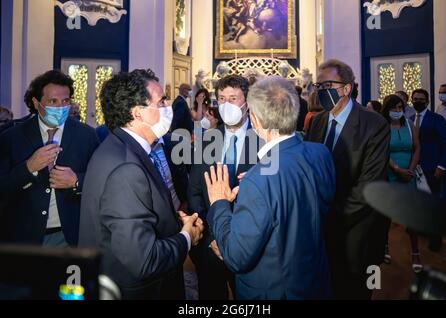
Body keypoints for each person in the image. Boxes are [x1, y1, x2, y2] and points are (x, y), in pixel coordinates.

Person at [204, 76, 335, 299]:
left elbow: (236, 256)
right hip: (314, 279)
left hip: (274, 291)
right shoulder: (320, 153)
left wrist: (219, 203)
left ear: (255, 120)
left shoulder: (258, 179)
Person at [78, 69, 204, 300]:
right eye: (161, 101)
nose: (168, 107)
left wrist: (172, 221)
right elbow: (144, 259)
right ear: (138, 113)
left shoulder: (121, 146)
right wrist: (187, 237)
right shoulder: (126, 167)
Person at [305, 59, 391, 300]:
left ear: (347, 88)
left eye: (327, 85)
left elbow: (370, 185)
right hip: (321, 231)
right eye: (318, 86)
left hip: (357, 229)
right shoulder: (317, 121)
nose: (321, 91)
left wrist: (328, 215)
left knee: (354, 292)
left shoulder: (374, 124)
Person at [0, 70, 99, 246]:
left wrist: (77, 181)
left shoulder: (87, 135)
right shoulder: (11, 137)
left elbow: (101, 181)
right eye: (53, 101)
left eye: (66, 101)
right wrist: (28, 168)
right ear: (36, 103)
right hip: (24, 238)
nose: (60, 107)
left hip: (71, 236)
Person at [187, 74, 259, 299]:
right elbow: (195, 191)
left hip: (250, 244)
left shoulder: (264, 139)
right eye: (222, 98)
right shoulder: (208, 139)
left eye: (234, 98)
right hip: (211, 244)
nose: (227, 104)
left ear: (247, 103)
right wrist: (213, 236)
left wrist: (235, 238)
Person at [380, 94, 422, 273]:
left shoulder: (409, 124)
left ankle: (415, 253)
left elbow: (417, 147)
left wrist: (410, 169)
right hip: (389, 173)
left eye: (400, 108)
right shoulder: (382, 126)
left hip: (408, 174)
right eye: (394, 108)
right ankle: (385, 246)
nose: (397, 111)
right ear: (387, 109)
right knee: (386, 215)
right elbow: (381, 150)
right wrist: (397, 169)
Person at [411, 88, 446, 252]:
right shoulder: (410, 119)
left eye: (420, 99)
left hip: (432, 167)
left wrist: (442, 166)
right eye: (415, 99)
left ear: (427, 101)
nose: (417, 101)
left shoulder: (437, 119)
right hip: (415, 167)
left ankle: (436, 238)